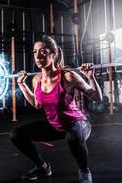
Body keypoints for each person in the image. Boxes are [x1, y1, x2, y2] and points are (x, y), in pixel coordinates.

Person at [10, 35, 102, 183]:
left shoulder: (68, 76)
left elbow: (96, 97)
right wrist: (22, 85)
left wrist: (91, 77)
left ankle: (84, 171)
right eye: (35, 52)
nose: (38, 56)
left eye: (43, 52)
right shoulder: (36, 79)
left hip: (77, 123)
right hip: (56, 125)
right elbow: (37, 103)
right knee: (16, 134)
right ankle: (43, 167)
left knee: (73, 136)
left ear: (53, 54)